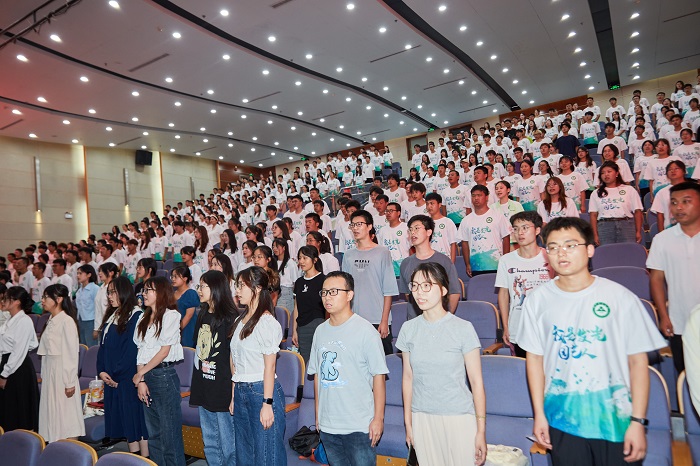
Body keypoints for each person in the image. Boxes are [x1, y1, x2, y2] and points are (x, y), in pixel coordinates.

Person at [517, 217, 666, 466]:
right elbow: (534, 360)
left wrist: (638, 422)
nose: (561, 253)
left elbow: (638, 363)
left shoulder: (619, 297)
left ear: (589, 249)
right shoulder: (537, 301)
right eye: (553, 247)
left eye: (570, 245)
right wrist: (539, 415)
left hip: (615, 420)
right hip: (563, 419)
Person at [398, 263, 486, 466]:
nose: (419, 292)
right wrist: (408, 423)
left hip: (458, 417)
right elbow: (408, 379)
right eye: (415, 286)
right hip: (422, 417)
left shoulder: (463, 329)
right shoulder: (408, 330)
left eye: (426, 286)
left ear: (444, 290)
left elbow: (476, 382)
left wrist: (481, 430)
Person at [307, 271, 389, 466]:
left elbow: (378, 376)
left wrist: (378, 418)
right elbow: (317, 375)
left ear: (349, 295)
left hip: (359, 425)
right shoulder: (320, 331)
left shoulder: (366, 331)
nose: (327, 297)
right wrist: (318, 414)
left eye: (333, 291)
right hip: (329, 425)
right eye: (324, 292)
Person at [230, 266, 286, 465]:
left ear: (258, 288)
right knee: (244, 454)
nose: (237, 291)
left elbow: (270, 367)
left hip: (261, 391)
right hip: (242, 390)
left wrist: (267, 403)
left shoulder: (267, 322)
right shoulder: (239, 320)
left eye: (241, 286)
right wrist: (233, 394)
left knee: (267, 455)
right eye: (237, 286)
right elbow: (234, 360)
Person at [647, 182, 700, 374]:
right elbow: (656, 280)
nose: (679, 207)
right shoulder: (662, 240)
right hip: (680, 322)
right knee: (687, 375)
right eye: (674, 202)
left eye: (686, 201)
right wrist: (663, 315)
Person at [132, 276, 186, 466]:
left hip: (164, 377)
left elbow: (164, 351)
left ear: (161, 292)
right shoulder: (143, 317)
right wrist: (141, 380)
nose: (144, 294)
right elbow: (141, 351)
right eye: (144, 290)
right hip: (148, 377)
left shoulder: (171, 316)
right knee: (154, 434)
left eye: (148, 290)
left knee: (170, 434)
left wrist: (141, 373)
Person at [97, 277, 149, 457]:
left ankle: (145, 458)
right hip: (112, 378)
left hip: (127, 378)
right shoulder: (113, 315)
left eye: (113, 292)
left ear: (124, 292)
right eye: (108, 292)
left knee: (136, 421)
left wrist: (116, 375)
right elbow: (102, 347)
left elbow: (132, 351)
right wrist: (101, 370)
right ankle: (134, 456)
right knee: (126, 423)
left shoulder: (136, 315)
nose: (110, 296)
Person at [191, 270, 238, 466]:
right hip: (204, 383)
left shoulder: (231, 317)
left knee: (228, 444)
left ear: (216, 288)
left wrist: (233, 392)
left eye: (203, 286)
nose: (199, 290)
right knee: (210, 440)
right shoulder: (202, 314)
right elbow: (198, 348)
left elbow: (234, 358)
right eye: (199, 286)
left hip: (222, 387)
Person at [495, 212, 552, 357]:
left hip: (548, 327)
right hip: (518, 328)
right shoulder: (506, 260)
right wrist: (506, 327)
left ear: (537, 230)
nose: (519, 233)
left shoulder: (550, 256)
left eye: (525, 228)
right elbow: (503, 294)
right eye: (515, 229)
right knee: (523, 369)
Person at [341, 210, 399, 354]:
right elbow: (345, 290)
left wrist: (384, 321)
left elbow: (388, 290)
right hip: (354, 319)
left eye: (359, 224)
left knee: (382, 361)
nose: (355, 228)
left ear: (369, 226)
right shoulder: (348, 255)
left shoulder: (382, 252)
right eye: (353, 225)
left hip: (377, 319)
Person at [38, 284, 85, 442]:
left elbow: (71, 354)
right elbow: (45, 353)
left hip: (62, 373)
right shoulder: (51, 319)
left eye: (46, 297)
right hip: (51, 372)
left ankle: (71, 450)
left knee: (66, 415)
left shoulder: (67, 321)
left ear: (58, 299)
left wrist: (69, 381)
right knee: (53, 414)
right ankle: (55, 447)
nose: (42, 300)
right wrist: (44, 374)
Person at [398, 215, 461, 318]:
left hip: (439, 320)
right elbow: (408, 295)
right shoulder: (405, 263)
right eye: (410, 230)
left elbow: (454, 293)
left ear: (429, 232)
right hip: (415, 321)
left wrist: (445, 318)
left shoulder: (444, 261)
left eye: (417, 228)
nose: (412, 232)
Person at [0, 286, 40, 431]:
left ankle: (22, 440)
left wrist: (4, 374)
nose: (3, 301)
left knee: (19, 407)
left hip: (18, 367)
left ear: (17, 302)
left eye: (6, 298)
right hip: (7, 363)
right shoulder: (9, 320)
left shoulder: (24, 321)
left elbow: (18, 351)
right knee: (7, 408)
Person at [458, 186, 511, 276]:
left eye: (479, 195)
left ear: (487, 197)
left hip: (496, 265)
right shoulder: (466, 220)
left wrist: (505, 261)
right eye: (473, 196)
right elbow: (464, 243)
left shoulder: (497, 216)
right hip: (476, 266)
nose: (476, 198)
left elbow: (506, 238)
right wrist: (467, 264)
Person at [589, 161, 644, 246]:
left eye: (609, 171)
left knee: (627, 250)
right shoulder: (596, 193)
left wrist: (638, 231)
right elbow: (593, 215)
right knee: (607, 252)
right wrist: (595, 235)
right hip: (605, 226)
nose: (606, 175)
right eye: (603, 173)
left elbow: (638, 212)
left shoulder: (629, 190)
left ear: (617, 173)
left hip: (626, 225)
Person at [292, 246, 326, 363]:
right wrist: (294, 330)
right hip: (302, 327)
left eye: (305, 258)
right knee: (306, 363)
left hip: (319, 325)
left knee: (320, 361)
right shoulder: (299, 282)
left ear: (315, 260)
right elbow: (296, 307)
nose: (301, 261)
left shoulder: (324, 280)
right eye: (299, 258)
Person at [376, 202, 411, 277]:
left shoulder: (406, 228)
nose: (388, 213)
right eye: (387, 211)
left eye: (391, 211)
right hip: (388, 269)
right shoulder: (382, 230)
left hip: (404, 267)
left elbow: (412, 248)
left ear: (398, 213)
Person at [650, 160, 687, 230]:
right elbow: (660, 216)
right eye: (670, 169)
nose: (673, 171)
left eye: (676, 168)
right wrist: (662, 234)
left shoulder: (694, 189)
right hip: (671, 230)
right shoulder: (661, 193)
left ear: (684, 171)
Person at [74, 264, 99, 347]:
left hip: (91, 321)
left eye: (80, 273)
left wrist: (96, 328)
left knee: (91, 346)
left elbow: (98, 309)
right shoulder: (79, 291)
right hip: (81, 320)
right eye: (77, 273)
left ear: (89, 275)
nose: (78, 276)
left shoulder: (95, 289)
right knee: (83, 345)